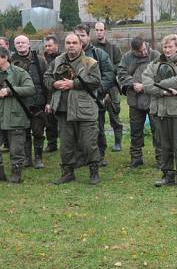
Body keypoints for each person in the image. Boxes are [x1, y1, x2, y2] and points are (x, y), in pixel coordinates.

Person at [44, 33, 102, 185]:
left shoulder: (90, 62)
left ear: (81, 44)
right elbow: (47, 77)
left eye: (74, 42)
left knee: (89, 143)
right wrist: (54, 84)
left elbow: (96, 81)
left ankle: (94, 171)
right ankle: (67, 173)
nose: (71, 45)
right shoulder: (57, 61)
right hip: (63, 110)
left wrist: (74, 84)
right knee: (66, 144)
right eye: (68, 42)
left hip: (85, 109)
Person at [140, 34, 177, 189]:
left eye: (171, 46)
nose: (168, 49)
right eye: (165, 47)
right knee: (164, 145)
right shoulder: (154, 64)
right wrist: (163, 91)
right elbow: (146, 82)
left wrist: (158, 84)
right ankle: (167, 175)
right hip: (160, 112)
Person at [0, 46, 36, 183]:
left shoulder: (19, 73)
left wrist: (9, 91)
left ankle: (16, 174)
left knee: (16, 149)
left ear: (5, 58)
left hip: (14, 116)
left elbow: (30, 89)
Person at [74, 24, 114, 167]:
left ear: (88, 36)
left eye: (82, 35)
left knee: (98, 128)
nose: (79, 39)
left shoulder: (98, 54)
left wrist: (98, 90)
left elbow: (109, 74)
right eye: (77, 35)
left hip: (94, 99)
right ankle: (81, 155)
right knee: (77, 129)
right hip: (75, 100)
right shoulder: (69, 56)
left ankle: (99, 155)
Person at [117, 37, 159, 168]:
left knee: (157, 130)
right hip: (134, 100)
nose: (144, 52)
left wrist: (145, 86)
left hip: (153, 99)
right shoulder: (127, 57)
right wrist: (133, 83)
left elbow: (162, 75)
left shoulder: (155, 55)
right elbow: (121, 73)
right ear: (134, 50)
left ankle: (161, 158)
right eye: (141, 51)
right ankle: (136, 158)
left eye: (145, 49)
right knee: (135, 131)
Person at [11, 35, 48, 169]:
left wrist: (48, 101)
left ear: (28, 44)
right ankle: (27, 158)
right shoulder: (10, 61)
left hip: (38, 102)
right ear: (14, 45)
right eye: (18, 43)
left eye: (23, 42)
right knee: (23, 132)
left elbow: (47, 82)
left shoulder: (40, 60)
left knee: (38, 132)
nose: (21, 45)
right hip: (19, 103)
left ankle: (38, 158)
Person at [92, 22, 123, 152]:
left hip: (111, 87)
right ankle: (100, 145)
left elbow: (119, 66)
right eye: (97, 30)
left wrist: (106, 69)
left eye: (101, 30)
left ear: (105, 31)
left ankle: (117, 142)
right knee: (98, 118)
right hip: (96, 86)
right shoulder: (91, 48)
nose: (99, 32)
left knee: (114, 115)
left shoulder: (113, 48)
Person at [42, 35, 60, 152]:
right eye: (46, 46)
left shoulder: (61, 58)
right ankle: (51, 143)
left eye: (50, 45)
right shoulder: (43, 59)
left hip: (58, 92)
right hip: (46, 92)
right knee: (49, 121)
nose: (47, 48)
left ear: (56, 46)